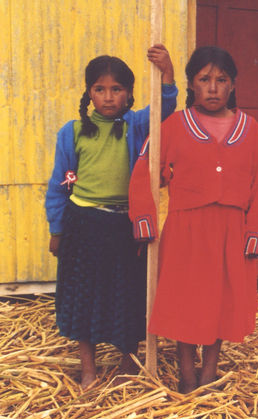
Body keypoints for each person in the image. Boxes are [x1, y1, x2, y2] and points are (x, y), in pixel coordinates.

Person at [128, 46, 258, 393]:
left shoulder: (252, 132)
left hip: (231, 233)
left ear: (233, 85)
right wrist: (144, 221)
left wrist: (255, 235)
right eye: (204, 79)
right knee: (185, 301)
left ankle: (209, 374)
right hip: (186, 232)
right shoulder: (174, 127)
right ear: (191, 84)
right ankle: (186, 376)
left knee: (222, 302)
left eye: (221, 80)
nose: (212, 87)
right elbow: (145, 172)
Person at [45, 44, 177, 389]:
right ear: (89, 93)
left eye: (116, 89)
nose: (108, 97)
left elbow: (163, 110)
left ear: (129, 94)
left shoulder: (133, 126)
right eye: (100, 89)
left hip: (123, 225)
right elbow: (62, 182)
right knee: (81, 295)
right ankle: (88, 368)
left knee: (127, 293)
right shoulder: (73, 132)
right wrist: (57, 228)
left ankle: (127, 361)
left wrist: (168, 74)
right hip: (83, 225)